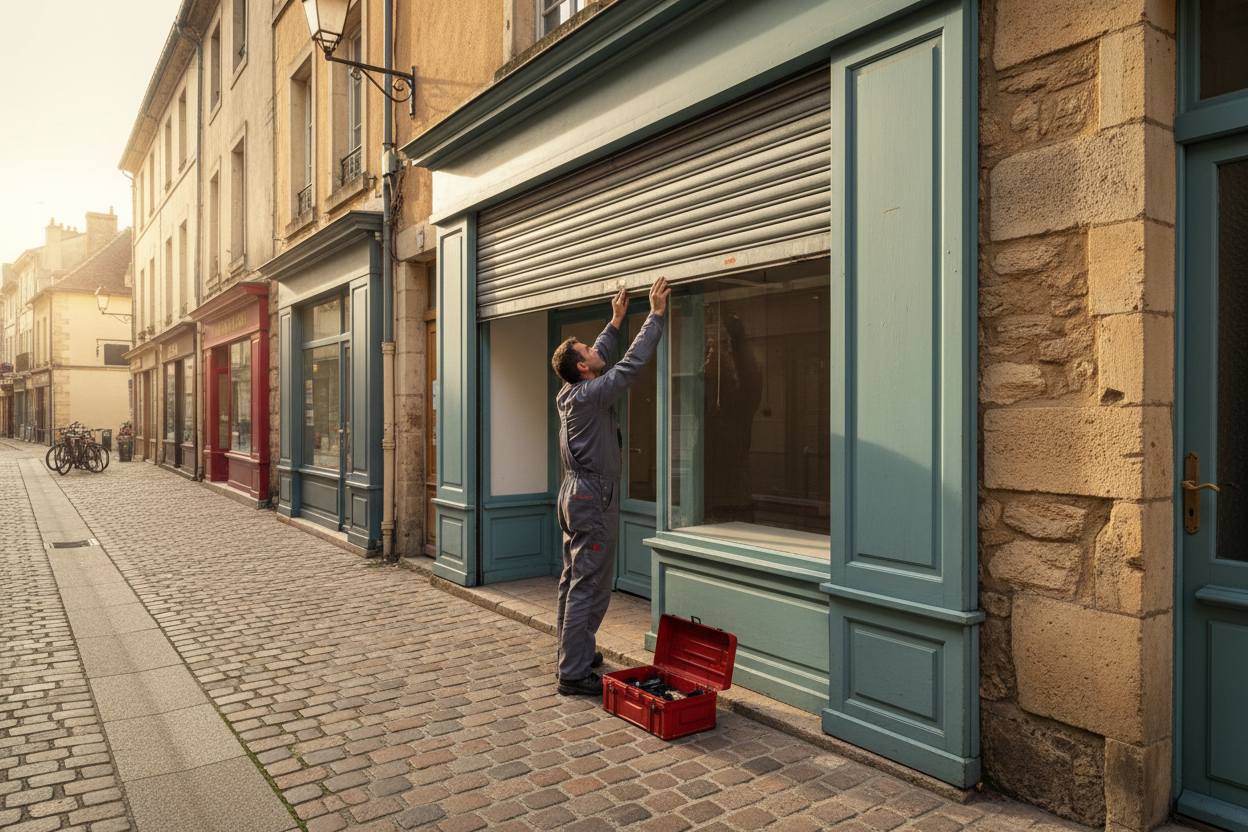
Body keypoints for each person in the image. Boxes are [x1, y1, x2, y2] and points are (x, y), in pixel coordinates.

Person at [549, 276, 670, 695]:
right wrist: (653, 316)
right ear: (583, 367)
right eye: (588, 351)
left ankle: (574, 649)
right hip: (594, 495)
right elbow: (630, 366)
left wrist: (616, 321)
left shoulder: (570, 392)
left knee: (572, 577)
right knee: (590, 582)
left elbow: (601, 356)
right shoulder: (590, 395)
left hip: (574, 493)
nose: (595, 351)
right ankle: (574, 672)